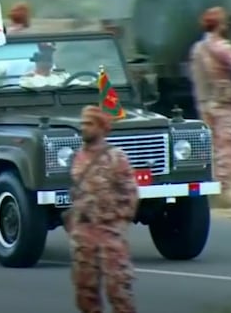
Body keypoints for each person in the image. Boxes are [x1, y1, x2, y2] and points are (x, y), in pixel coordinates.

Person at [66, 105, 138, 313]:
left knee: (119, 292)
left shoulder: (116, 157)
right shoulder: (78, 157)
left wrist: (117, 225)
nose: (83, 128)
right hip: (83, 237)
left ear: (101, 127)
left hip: (109, 235)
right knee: (84, 294)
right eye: (82, 124)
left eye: (89, 124)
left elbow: (130, 195)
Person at [189, 6, 231, 208]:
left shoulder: (198, 49)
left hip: (205, 104)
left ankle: (210, 188)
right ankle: (222, 191)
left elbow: (196, 79)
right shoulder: (222, 47)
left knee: (212, 148)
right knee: (228, 147)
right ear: (221, 25)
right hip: (225, 105)